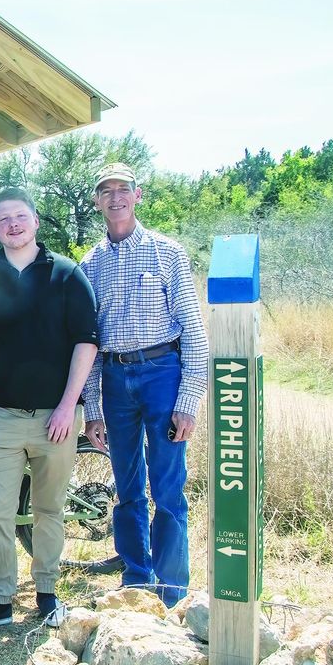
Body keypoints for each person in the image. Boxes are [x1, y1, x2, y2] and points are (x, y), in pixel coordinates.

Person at [0, 188, 98, 632]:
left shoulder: (67, 274)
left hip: (56, 418)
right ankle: (0, 601)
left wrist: (68, 406)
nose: (12, 225)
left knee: (48, 510)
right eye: (3, 219)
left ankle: (48, 595)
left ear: (35, 221)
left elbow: (86, 344)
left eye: (20, 216)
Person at [80, 162, 208, 606]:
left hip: (162, 374)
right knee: (127, 485)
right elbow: (88, 342)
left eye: (123, 189)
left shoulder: (166, 253)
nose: (115, 197)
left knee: (168, 487)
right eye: (106, 190)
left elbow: (194, 330)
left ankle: (172, 592)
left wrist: (188, 401)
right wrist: (92, 408)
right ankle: (137, 581)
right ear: (97, 201)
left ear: (137, 196)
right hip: (115, 378)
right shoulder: (90, 264)